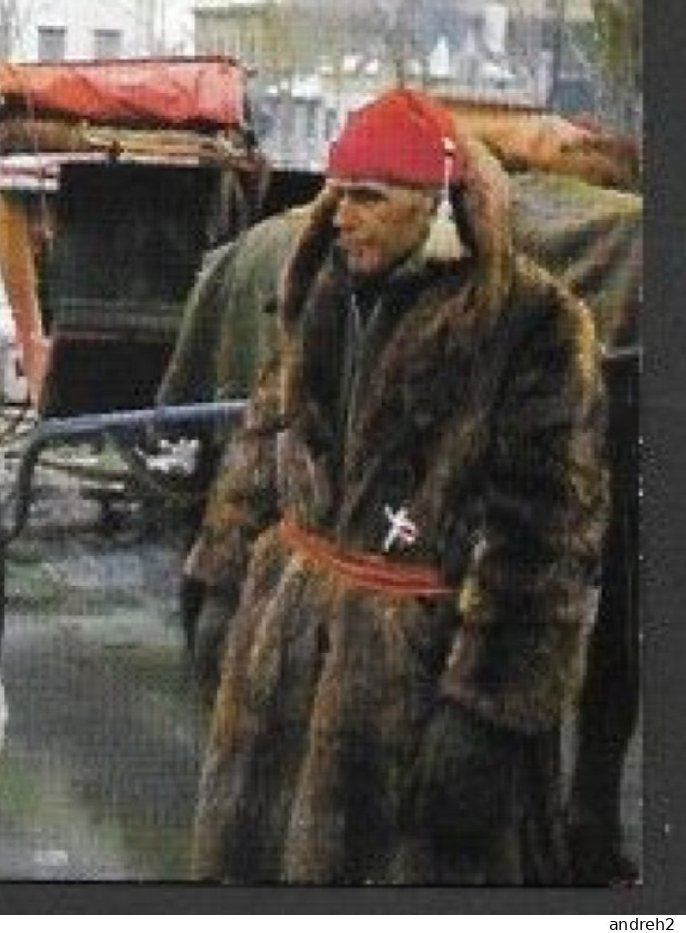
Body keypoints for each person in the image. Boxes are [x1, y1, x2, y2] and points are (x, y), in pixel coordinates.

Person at [183, 87, 609, 884]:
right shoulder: (322, 296)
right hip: (281, 661)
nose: (341, 216)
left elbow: (547, 541)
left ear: (435, 205)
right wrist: (217, 583)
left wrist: (486, 712)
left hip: (416, 689)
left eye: (369, 198)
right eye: (337, 195)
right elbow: (263, 443)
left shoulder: (530, 327)